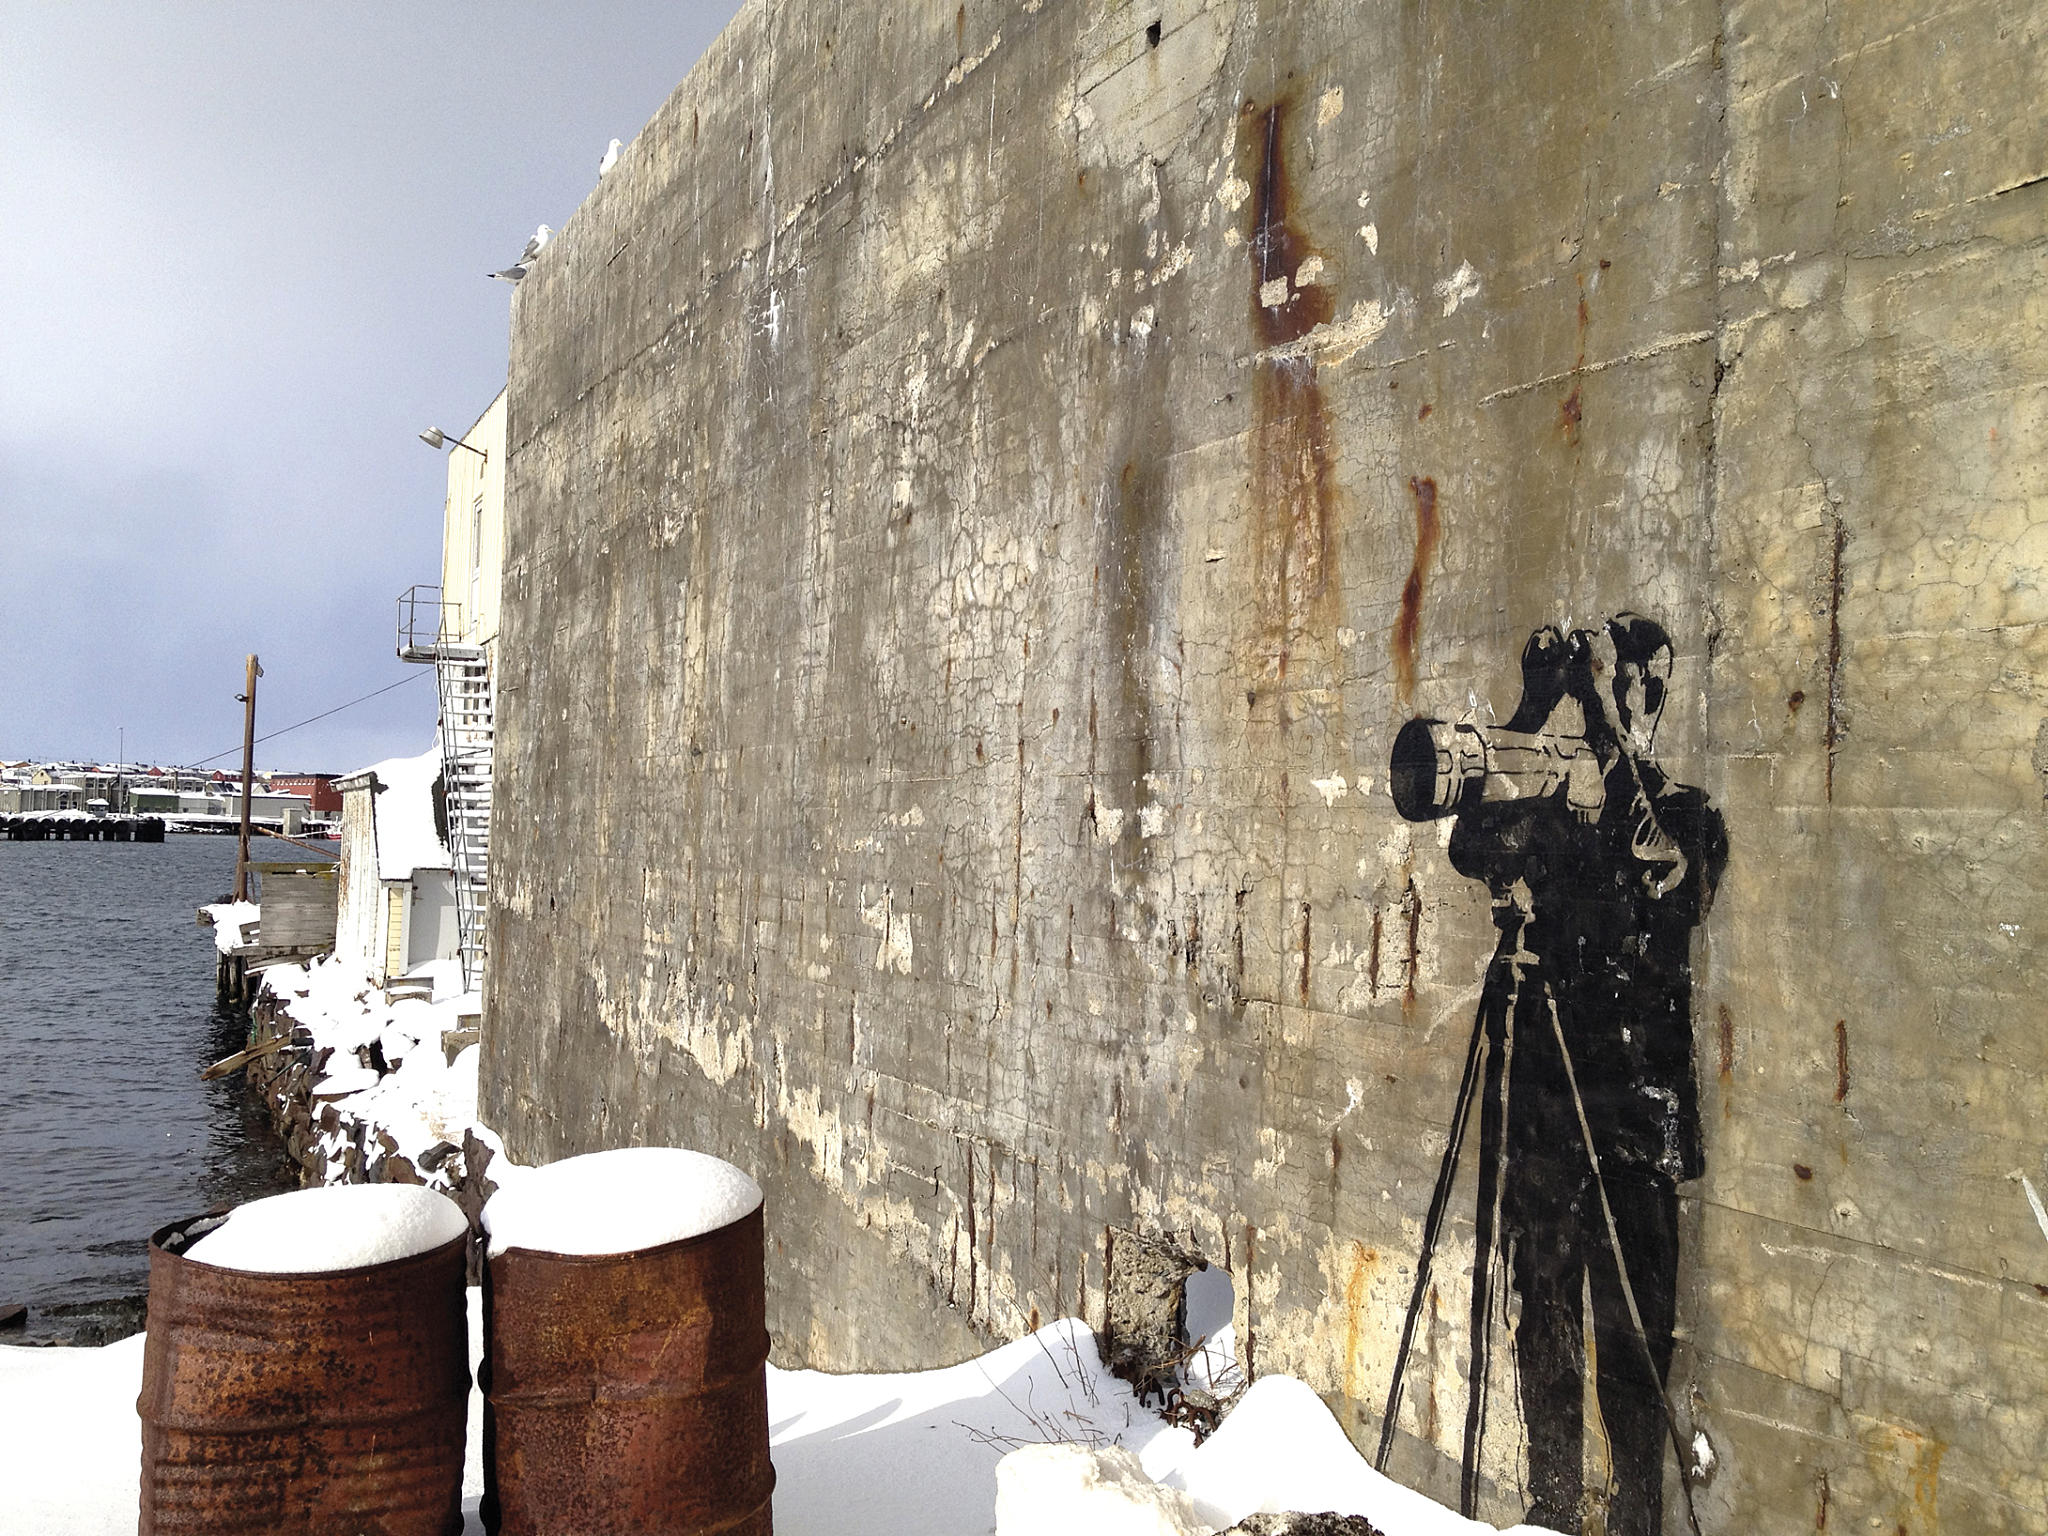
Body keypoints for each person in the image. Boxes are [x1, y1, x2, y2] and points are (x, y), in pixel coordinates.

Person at [1446, 615, 1727, 1536]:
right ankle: (1551, 1513)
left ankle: (1638, 1519)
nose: (1626, 702)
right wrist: (1532, 713)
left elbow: (1661, 869)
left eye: (1637, 686)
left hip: (1638, 1128)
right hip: (1547, 1117)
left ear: (1654, 697)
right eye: (1613, 687)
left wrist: (1603, 752)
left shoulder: (1684, 815)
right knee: (1544, 1329)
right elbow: (1468, 844)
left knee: (1633, 1352)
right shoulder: (1555, 821)